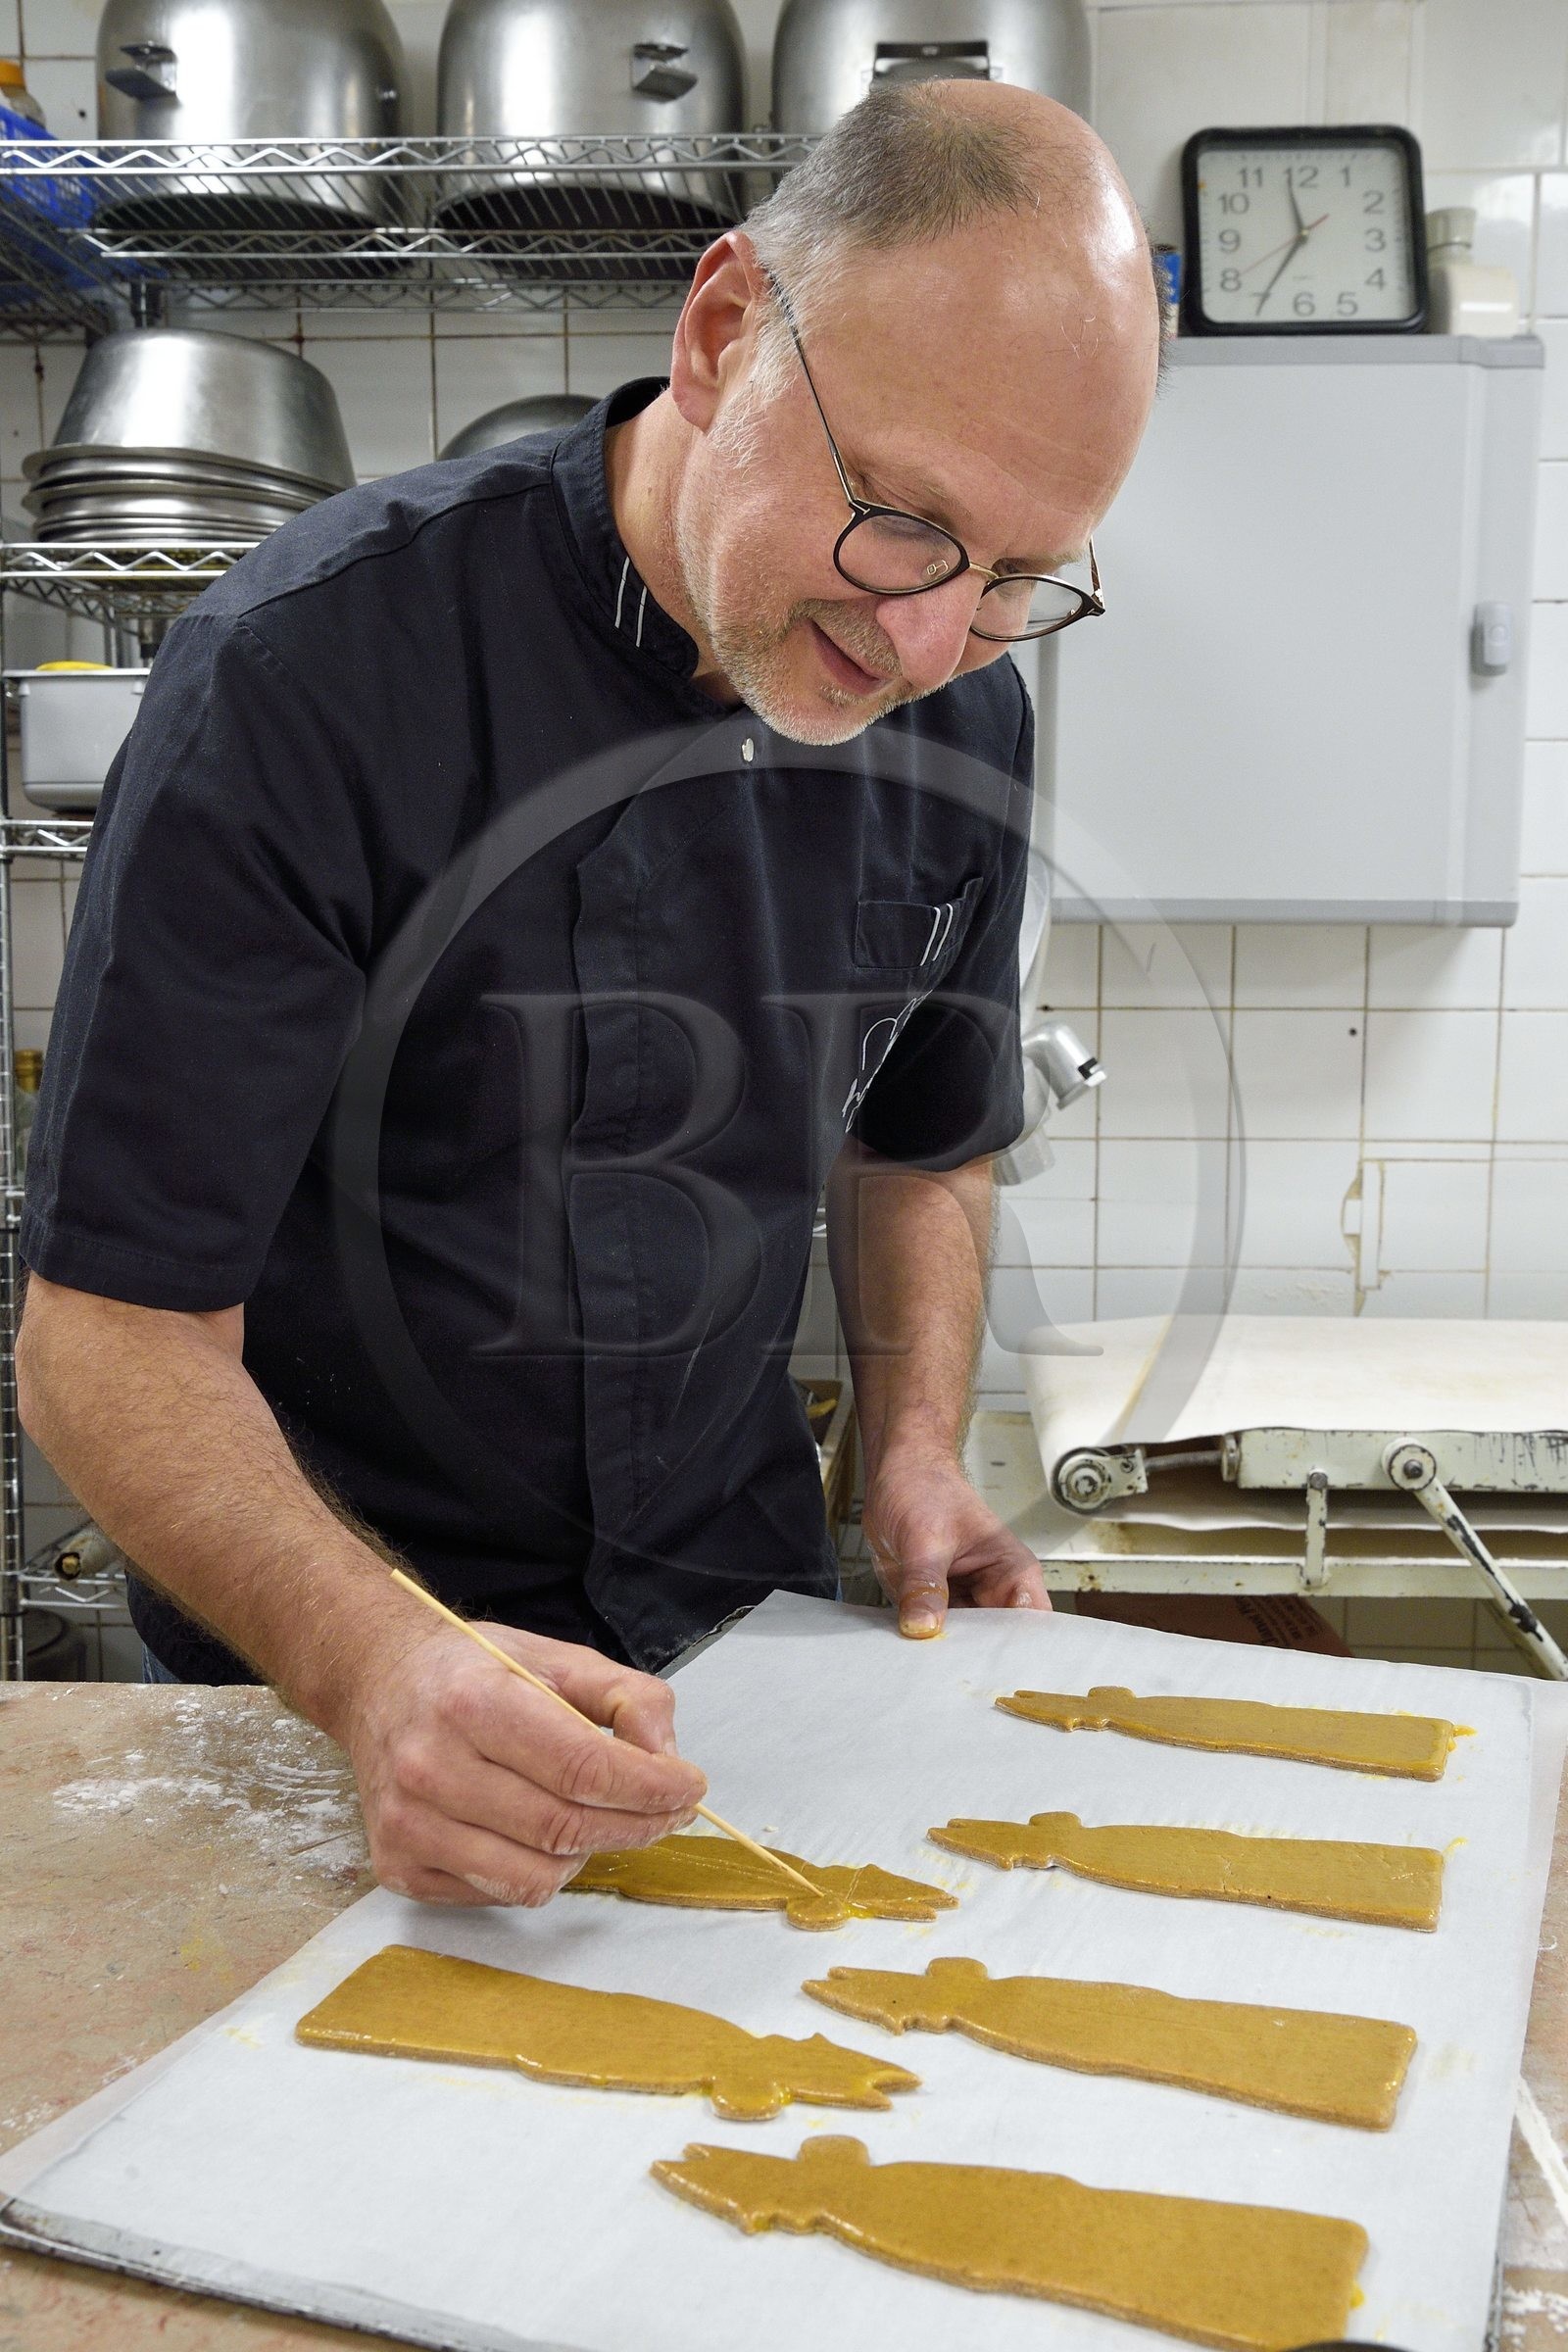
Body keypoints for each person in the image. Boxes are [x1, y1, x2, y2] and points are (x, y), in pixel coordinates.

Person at [17, 81, 1160, 1910]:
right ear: (721, 338)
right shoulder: (306, 679)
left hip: (744, 1659)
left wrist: (919, 1448)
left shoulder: (965, 720)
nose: (932, 640)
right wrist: (368, 1658)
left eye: (1021, 575)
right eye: (905, 520)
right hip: (319, 1708)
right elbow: (111, 1337)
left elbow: (919, 1145)